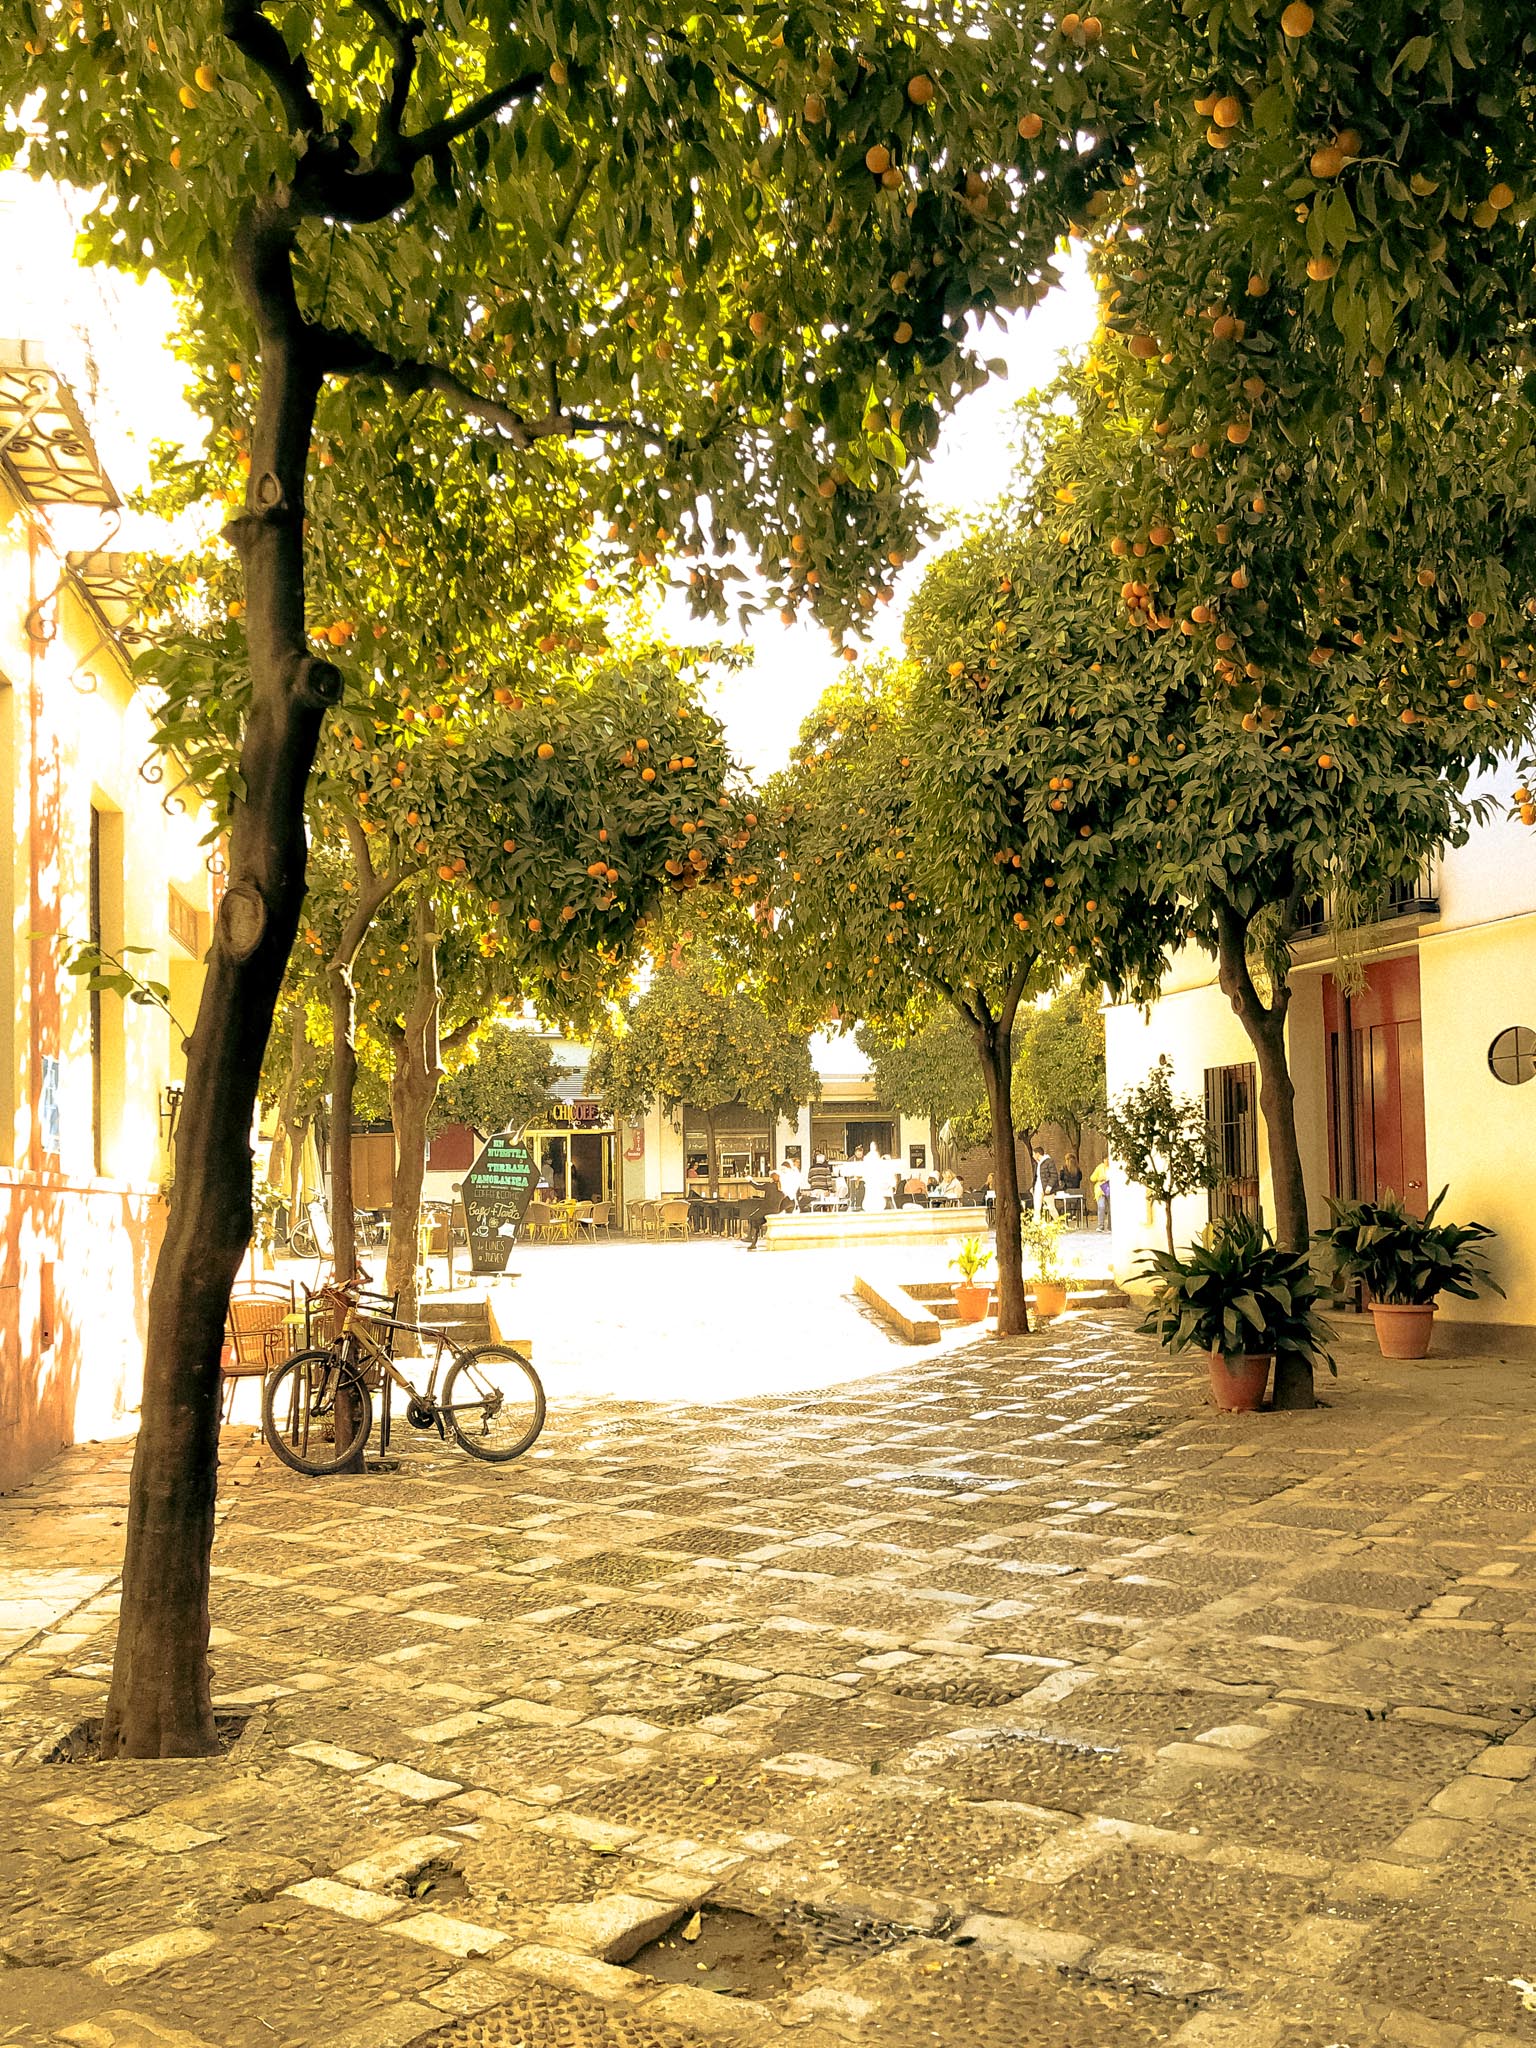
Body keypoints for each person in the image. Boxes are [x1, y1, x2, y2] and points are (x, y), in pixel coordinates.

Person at [1034, 1147, 1060, 1219]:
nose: (1033, 1156)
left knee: (1051, 1208)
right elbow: (1037, 1177)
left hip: (1047, 1188)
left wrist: (1049, 1186)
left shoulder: (1049, 1162)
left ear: (1037, 1154)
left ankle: (1058, 1223)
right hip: (1038, 1188)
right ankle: (1036, 1225)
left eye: (1033, 1154)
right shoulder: (1037, 1164)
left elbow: (1054, 1175)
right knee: (1037, 1208)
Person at [1091, 1157, 1112, 1233]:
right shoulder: (1100, 1167)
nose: (1107, 1161)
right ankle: (1101, 1226)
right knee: (1101, 1206)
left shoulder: (1113, 1167)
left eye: (1108, 1159)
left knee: (1111, 1207)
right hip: (1101, 1188)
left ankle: (1110, 1226)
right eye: (1106, 1159)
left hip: (1110, 1187)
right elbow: (1092, 1178)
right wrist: (1099, 1178)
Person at [846, 1146, 866, 1213]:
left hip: (863, 1179)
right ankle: (852, 1206)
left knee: (862, 1193)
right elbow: (847, 1169)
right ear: (855, 1153)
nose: (859, 1155)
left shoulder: (865, 1159)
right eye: (858, 1153)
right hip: (853, 1179)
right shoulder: (851, 1160)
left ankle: (861, 1205)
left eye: (861, 1153)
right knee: (853, 1193)